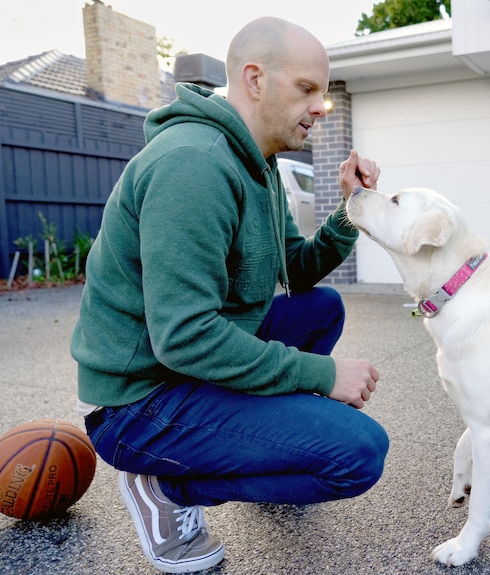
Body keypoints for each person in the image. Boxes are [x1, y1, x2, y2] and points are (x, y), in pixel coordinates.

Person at [71, 17, 389, 574]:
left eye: (323, 93)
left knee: (321, 309)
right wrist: (319, 376)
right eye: (307, 89)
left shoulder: (257, 164)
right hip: (137, 404)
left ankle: (260, 444)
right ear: (255, 79)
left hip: (183, 368)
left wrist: (349, 210)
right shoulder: (194, 165)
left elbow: (296, 269)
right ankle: (166, 489)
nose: (321, 107)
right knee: (357, 454)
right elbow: (186, 336)